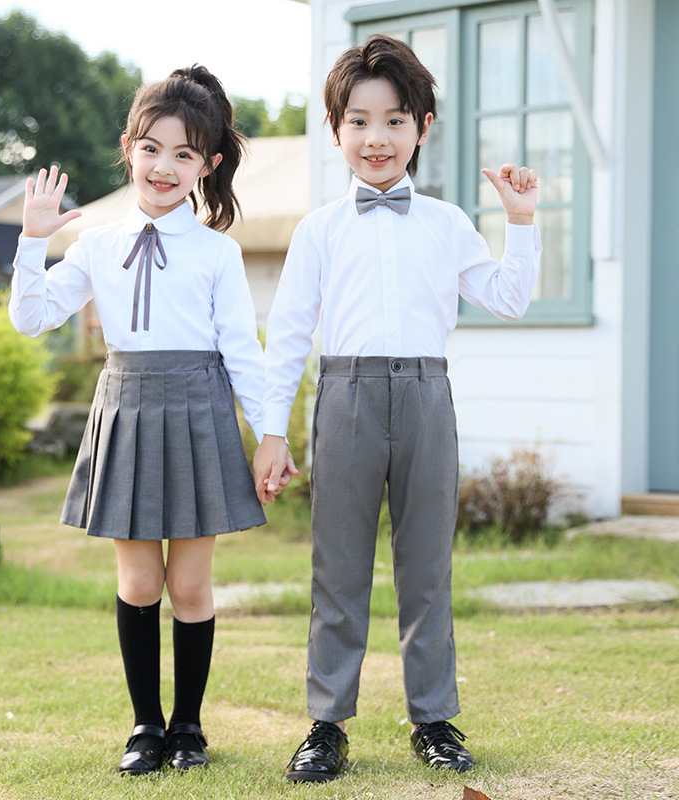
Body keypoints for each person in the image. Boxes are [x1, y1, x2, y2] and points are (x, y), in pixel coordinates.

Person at [253, 34, 541, 782]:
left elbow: (508, 299)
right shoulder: (318, 229)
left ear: (423, 125)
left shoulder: (446, 223)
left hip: (425, 395)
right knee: (337, 566)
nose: (376, 138)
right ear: (336, 130)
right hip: (344, 395)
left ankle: (434, 720)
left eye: (393, 120)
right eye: (358, 121)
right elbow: (286, 336)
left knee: (427, 566)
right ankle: (327, 725)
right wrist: (271, 432)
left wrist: (522, 222)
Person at [9, 65, 273, 775]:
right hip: (125, 406)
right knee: (139, 584)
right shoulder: (94, 243)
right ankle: (144, 727)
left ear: (207, 166)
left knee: (189, 586)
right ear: (129, 147)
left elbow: (242, 350)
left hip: (198, 408)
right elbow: (31, 317)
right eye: (152, 148)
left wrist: (270, 433)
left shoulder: (218, 251)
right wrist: (33, 241)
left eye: (185, 154)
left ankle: (188, 728)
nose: (164, 166)